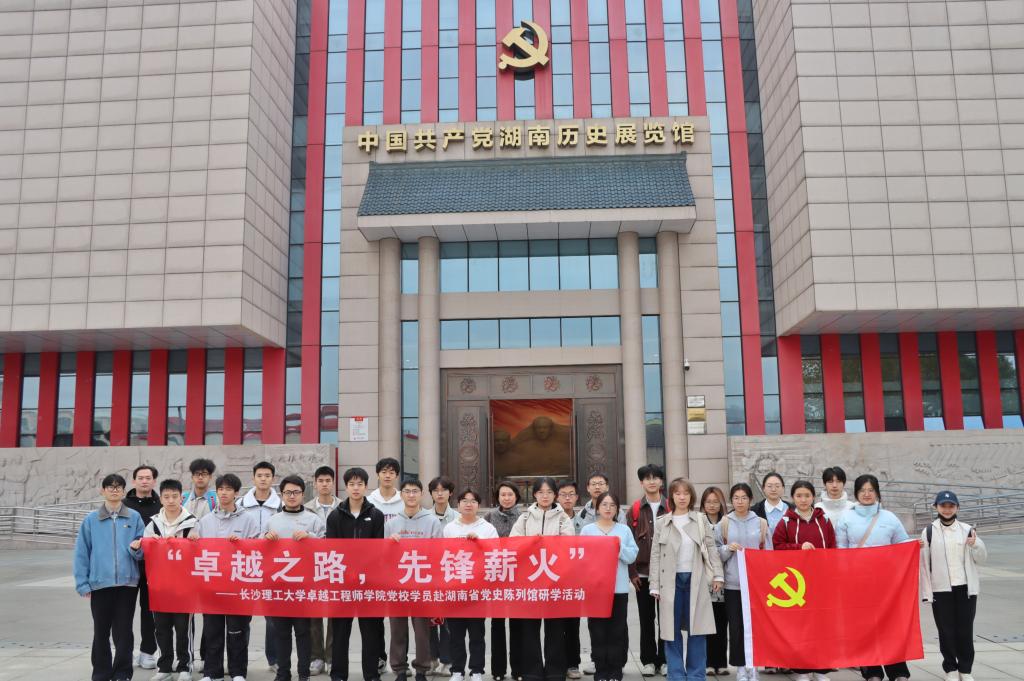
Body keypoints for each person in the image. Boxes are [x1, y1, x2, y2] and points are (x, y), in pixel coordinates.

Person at [836, 474, 911, 681]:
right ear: (856, 493)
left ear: (877, 493)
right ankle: (872, 671)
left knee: (890, 626)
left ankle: (898, 671)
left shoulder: (889, 517)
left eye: (871, 490)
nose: (867, 494)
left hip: (886, 583)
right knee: (864, 627)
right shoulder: (846, 518)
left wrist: (914, 545)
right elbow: (841, 551)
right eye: (862, 490)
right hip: (858, 582)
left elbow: (902, 544)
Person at [649, 478, 725, 681]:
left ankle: (696, 675)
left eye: (686, 493)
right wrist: (654, 584)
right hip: (670, 582)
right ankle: (676, 675)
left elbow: (711, 548)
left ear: (691, 496)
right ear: (671, 497)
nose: (682, 497)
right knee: (670, 631)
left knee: (697, 630)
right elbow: (655, 554)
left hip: (696, 580)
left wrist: (718, 574)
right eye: (677, 493)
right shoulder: (662, 522)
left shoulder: (700, 520)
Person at [74, 473, 146, 681]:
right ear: (102, 491)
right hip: (100, 584)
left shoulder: (134, 517)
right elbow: (82, 552)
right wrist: (82, 583)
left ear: (123, 491)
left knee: (124, 631)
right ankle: (101, 672)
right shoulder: (91, 520)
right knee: (101, 631)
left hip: (127, 584)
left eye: (118, 487)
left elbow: (143, 550)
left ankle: (123, 672)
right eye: (110, 487)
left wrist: (136, 550)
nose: (114, 490)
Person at [190, 473, 262, 681]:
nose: (224, 493)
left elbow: (258, 550)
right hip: (212, 585)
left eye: (228, 489)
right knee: (212, 630)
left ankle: (238, 672)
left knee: (237, 631)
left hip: (238, 585)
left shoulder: (248, 520)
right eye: (220, 489)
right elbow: (198, 553)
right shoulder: (205, 521)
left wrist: (242, 544)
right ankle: (212, 673)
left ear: (236, 493)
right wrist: (193, 540)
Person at [130, 478, 198, 681]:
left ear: (181, 498)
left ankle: (185, 667)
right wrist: (139, 546)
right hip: (159, 586)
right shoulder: (153, 524)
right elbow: (143, 554)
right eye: (166, 497)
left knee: (184, 629)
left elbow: (202, 554)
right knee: (161, 628)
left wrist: (194, 543)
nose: (170, 500)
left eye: (175, 496)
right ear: (161, 499)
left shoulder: (192, 522)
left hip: (184, 587)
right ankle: (164, 667)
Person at [511, 477, 575, 681]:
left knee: (555, 627)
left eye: (549, 492)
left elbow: (568, 545)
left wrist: (548, 542)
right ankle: (532, 670)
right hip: (530, 580)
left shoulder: (563, 518)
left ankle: (555, 670)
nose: (545, 496)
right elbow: (513, 543)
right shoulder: (525, 518)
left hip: (556, 580)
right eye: (540, 492)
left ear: (555, 495)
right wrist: (530, 542)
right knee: (530, 627)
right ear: (534, 495)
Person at [772, 481, 836, 681]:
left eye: (807, 495)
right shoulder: (786, 521)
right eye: (799, 495)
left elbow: (833, 547)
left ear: (813, 497)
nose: (803, 499)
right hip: (797, 583)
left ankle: (821, 670)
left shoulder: (824, 520)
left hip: (821, 581)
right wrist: (798, 547)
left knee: (822, 626)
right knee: (801, 627)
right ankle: (802, 670)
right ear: (792, 498)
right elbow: (777, 546)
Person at [920, 491, 987, 681]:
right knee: (946, 631)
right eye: (943, 506)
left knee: (965, 630)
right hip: (941, 590)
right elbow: (924, 564)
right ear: (936, 507)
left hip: (965, 589)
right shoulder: (929, 532)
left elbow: (982, 558)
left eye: (951, 506)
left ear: (957, 508)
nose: (947, 509)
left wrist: (975, 544)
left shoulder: (967, 530)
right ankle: (950, 668)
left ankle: (965, 669)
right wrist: (927, 592)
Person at [266, 475, 327, 681]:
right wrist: (265, 539)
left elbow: (327, 548)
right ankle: (283, 673)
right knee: (281, 633)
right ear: (281, 495)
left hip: (304, 587)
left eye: (296, 492)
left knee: (303, 633)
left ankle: (303, 674)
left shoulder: (313, 520)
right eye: (288, 492)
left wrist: (311, 538)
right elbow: (260, 550)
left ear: (303, 494)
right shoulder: (273, 521)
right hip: (279, 587)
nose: (292, 496)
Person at [327, 467, 386, 681]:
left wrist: (364, 572)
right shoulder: (335, 516)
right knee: (340, 633)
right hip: (342, 583)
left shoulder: (376, 515)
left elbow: (378, 549)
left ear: (366, 487)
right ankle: (338, 675)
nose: (355, 488)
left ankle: (371, 675)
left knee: (370, 633)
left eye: (360, 484)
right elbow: (332, 550)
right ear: (346, 487)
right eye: (351, 484)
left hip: (368, 584)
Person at [387, 478, 442, 681]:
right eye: (407, 491)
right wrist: (389, 544)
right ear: (401, 495)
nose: (411, 495)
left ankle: (421, 669)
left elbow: (439, 554)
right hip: (398, 585)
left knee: (422, 631)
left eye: (415, 491)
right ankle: (400, 669)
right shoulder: (391, 523)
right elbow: (384, 557)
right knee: (397, 630)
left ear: (421, 494)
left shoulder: (432, 521)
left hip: (422, 585)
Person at [580, 492, 638, 681]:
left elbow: (632, 556)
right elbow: (581, 557)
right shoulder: (588, 530)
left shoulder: (624, 530)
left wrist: (618, 547)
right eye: (604, 504)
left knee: (617, 631)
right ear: (597, 507)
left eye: (612, 505)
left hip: (618, 590)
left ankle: (615, 670)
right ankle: (601, 670)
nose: (608, 508)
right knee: (597, 631)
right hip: (595, 590)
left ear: (617, 509)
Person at [715, 483, 769, 681]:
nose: (740, 502)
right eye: (736, 498)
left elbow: (768, 554)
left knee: (755, 627)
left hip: (756, 586)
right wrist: (728, 548)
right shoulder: (724, 523)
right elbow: (715, 553)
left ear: (750, 500)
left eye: (744, 498)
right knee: (736, 627)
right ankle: (739, 667)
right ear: (731, 500)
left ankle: (753, 666)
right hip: (733, 584)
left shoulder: (761, 523)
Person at [444, 489, 499, 681]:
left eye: (473, 501)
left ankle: (477, 670)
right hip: (455, 589)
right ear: (458, 505)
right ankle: (457, 670)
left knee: (477, 634)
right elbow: (442, 555)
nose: (469, 504)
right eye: (464, 501)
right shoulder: (449, 528)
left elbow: (496, 554)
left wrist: (480, 543)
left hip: (477, 590)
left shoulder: (488, 528)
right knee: (455, 634)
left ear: (478, 505)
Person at [240, 460, 283, 672]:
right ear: (253, 478)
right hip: (245, 564)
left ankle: (274, 659)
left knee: (272, 615)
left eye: (267, 476)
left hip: (271, 566)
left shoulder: (280, 504)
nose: (263, 479)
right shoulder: (241, 503)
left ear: (273, 479)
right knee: (242, 615)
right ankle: (239, 660)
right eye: (260, 475)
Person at [628, 463, 669, 677]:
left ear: (661, 481)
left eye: (655, 477)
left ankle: (665, 660)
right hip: (642, 575)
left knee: (666, 619)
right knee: (646, 619)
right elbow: (628, 543)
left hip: (666, 574)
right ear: (641, 482)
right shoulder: (635, 510)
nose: (651, 481)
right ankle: (648, 661)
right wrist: (632, 573)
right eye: (647, 478)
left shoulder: (670, 507)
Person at [368, 457, 404, 676]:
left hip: (401, 566)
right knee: (376, 616)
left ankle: (400, 661)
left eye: (392, 472)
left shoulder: (404, 499)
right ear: (378, 474)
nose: (388, 475)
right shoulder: (369, 501)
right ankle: (380, 657)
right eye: (384, 471)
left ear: (397, 476)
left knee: (399, 617)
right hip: (376, 565)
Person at [305, 465, 342, 677]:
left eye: (328, 480)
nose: (325, 484)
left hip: (337, 565)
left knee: (335, 614)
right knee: (314, 613)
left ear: (333, 482)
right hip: (313, 566)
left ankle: (331, 656)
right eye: (321, 481)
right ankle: (316, 657)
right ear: (315, 483)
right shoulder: (306, 508)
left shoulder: (343, 506)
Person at [485, 481, 523, 681]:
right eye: (503, 494)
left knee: (518, 625)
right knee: (497, 624)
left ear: (516, 496)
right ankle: (498, 670)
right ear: (497, 497)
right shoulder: (489, 516)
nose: (506, 498)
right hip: (496, 577)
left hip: (518, 577)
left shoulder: (524, 516)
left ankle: (518, 670)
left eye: (510, 494)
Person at [124, 464, 161, 671]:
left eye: (148, 478)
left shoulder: (161, 504)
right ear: (134, 481)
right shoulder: (124, 505)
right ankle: (125, 651)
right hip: (128, 565)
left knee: (149, 611)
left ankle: (148, 652)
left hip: (153, 567)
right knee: (124, 611)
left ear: (154, 481)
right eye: (140, 477)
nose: (144, 481)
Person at [182, 458, 217, 674]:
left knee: (210, 614)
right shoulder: (183, 498)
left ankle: (206, 656)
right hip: (186, 565)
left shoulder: (215, 499)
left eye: (204, 474)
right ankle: (187, 658)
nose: (200, 477)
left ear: (210, 477)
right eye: (197, 474)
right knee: (186, 615)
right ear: (192, 476)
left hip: (209, 563)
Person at [428, 475, 458, 676]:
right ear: (431, 494)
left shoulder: (457, 517)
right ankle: (431, 659)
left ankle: (447, 661)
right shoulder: (424, 516)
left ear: (450, 493)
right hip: (428, 576)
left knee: (448, 622)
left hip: (450, 575)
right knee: (429, 621)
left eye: (443, 490)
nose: (440, 494)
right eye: (436, 490)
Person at [556, 479, 584, 680]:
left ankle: (573, 664)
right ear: (557, 497)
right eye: (563, 494)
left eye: (571, 494)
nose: (567, 498)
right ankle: (557, 664)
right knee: (555, 626)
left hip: (576, 580)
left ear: (577, 497)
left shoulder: (584, 523)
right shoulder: (552, 518)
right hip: (554, 579)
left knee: (573, 625)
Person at [699, 487, 728, 677]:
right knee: (707, 623)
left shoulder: (727, 522)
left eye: (715, 501)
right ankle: (708, 662)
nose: (712, 505)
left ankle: (721, 662)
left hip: (725, 579)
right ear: (702, 503)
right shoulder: (698, 522)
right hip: (704, 579)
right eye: (708, 501)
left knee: (722, 621)